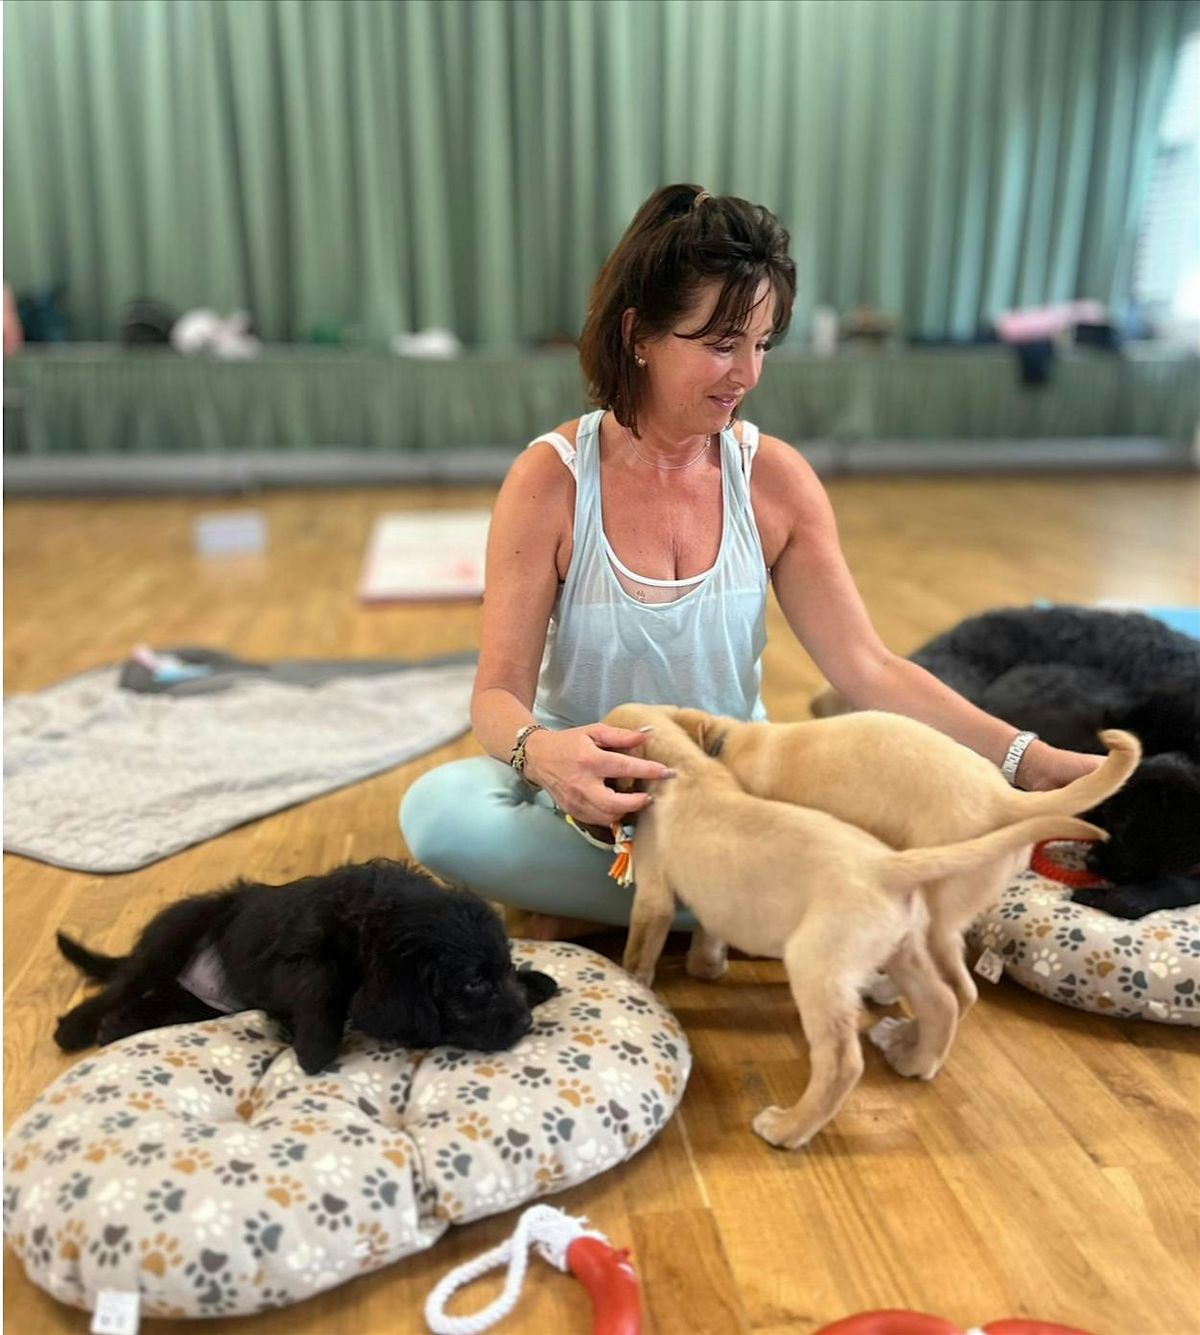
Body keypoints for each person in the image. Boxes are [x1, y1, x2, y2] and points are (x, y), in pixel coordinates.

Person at [400, 183, 1102, 937]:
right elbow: (496, 696)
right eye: (721, 344)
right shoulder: (550, 480)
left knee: (891, 795)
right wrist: (544, 755)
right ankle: (749, 905)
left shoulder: (775, 480)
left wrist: (1028, 761)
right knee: (440, 813)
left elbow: (868, 668)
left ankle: (654, 902)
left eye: (762, 344)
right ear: (639, 336)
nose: (747, 373)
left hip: (730, 796)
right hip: (587, 799)